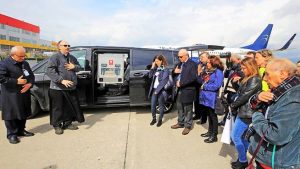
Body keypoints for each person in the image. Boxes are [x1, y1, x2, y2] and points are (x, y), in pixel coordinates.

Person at [247, 58, 300, 169]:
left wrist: (256, 114)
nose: (265, 79)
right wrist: (258, 97)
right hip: (266, 158)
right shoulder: (280, 90)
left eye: (267, 74)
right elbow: (254, 104)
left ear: (283, 74)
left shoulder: (293, 97)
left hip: (277, 163)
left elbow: (276, 135)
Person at [46, 40, 85, 135]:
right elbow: (49, 71)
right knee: (58, 108)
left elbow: (79, 68)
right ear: (59, 47)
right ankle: (57, 125)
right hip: (57, 88)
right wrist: (61, 80)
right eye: (65, 45)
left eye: (68, 45)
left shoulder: (72, 57)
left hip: (71, 87)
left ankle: (67, 123)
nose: (67, 47)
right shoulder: (55, 57)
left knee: (69, 107)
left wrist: (74, 67)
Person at [229, 57, 262, 169]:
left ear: (250, 67)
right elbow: (241, 92)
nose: (242, 70)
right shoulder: (249, 78)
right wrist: (235, 83)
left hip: (247, 113)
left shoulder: (255, 79)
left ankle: (243, 161)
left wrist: (232, 106)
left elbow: (244, 96)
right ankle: (242, 159)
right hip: (244, 111)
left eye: (244, 68)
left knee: (235, 136)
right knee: (243, 138)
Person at [0, 46, 35, 144]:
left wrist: (30, 84)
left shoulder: (25, 63)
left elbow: (31, 76)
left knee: (23, 112)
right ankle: (11, 134)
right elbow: (1, 78)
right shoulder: (4, 64)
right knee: (11, 115)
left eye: (24, 56)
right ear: (12, 55)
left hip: (24, 93)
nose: (23, 58)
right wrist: (16, 81)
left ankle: (21, 130)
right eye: (20, 56)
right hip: (11, 95)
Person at [198, 55, 224, 143]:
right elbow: (203, 81)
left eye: (209, 62)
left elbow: (217, 85)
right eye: (208, 62)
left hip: (212, 98)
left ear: (214, 63)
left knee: (213, 116)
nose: (207, 63)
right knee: (209, 115)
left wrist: (205, 86)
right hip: (206, 97)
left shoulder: (218, 72)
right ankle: (210, 132)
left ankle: (214, 135)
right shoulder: (209, 71)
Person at [171, 49, 197, 135]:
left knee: (188, 109)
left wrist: (181, 83)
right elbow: (173, 73)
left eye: (180, 57)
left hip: (187, 89)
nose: (179, 58)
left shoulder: (192, 64)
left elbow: (193, 78)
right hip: (179, 90)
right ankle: (180, 123)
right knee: (179, 107)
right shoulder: (179, 64)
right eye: (178, 57)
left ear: (186, 55)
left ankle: (187, 126)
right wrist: (174, 72)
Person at [218, 53, 244, 126]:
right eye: (231, 61)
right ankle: (226, 121)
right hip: (230, 91)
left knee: (232, 109)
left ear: (239, 60)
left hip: (235, 92)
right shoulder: (233, 68)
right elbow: (226, 76)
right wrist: (228, 67)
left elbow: (241, 79)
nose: (232, 63)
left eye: (233, 61)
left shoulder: (241, 69)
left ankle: (231, 124)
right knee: (227, 107)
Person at [148, 55, 170, 127]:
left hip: (161, 90)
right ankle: (154, 119)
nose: (156, 62)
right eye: (155, 61)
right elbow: (150, 76)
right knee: (153, 105)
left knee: (161, 106)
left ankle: (160, 120)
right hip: (154, 89)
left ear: (161, 61)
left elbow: (164, 81)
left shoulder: (165, 69)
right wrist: (152, 67)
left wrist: (157, 90)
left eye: (157, 61)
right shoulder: (156, 68)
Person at [193, 52, 209, 123]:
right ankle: (197, 115)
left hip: (203, 87)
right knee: (196, 101)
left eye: (202, 57)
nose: (200, 59)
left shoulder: (208, 66)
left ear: (207, 57)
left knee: (203, 104)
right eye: (200, 57)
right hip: (197, 86)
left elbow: (204, 79)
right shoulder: (199, 64)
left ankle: (203, 118)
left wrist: (199, 73)